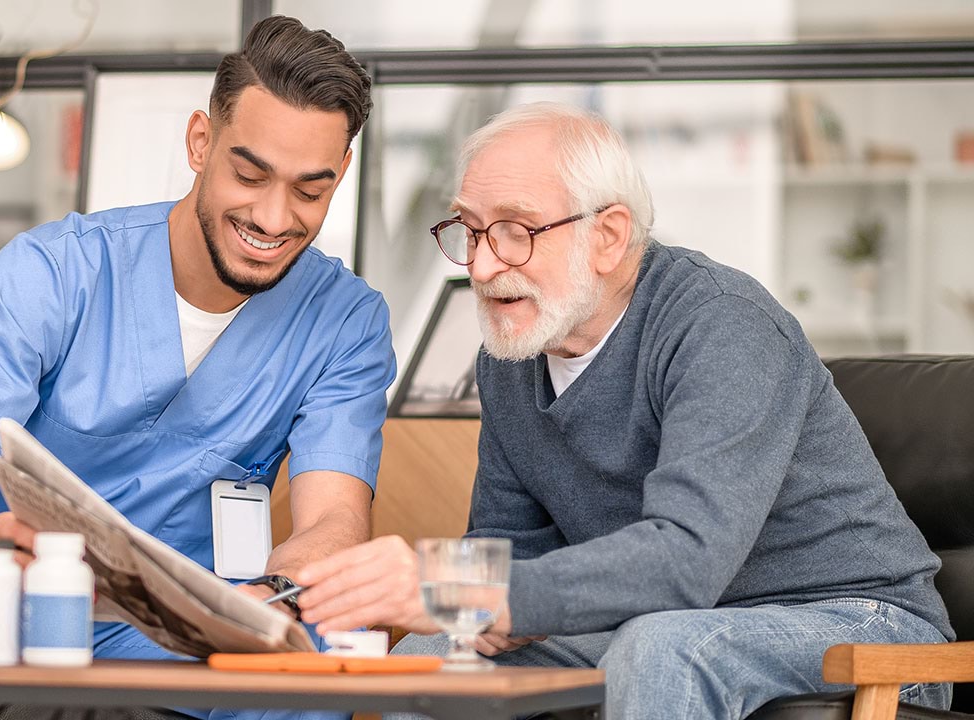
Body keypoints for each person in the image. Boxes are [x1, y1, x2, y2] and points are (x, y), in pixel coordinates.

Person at [293, 102, 953, 719]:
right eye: (469, 231)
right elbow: (511, 557)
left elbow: (685, 560)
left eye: (515, 232)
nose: (485, 266)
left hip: (859, 624)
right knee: (427, 661)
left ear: (608, 236)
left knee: (663, 647)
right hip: (655, 619)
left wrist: (461, 589)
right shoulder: (508, 361)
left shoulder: (722, 326)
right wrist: (465, 610)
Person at [0, 16, 391, 720]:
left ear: (340, 176)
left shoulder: (344, 322)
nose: (274, 217)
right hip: (10, 605)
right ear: (200, 142)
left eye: (309, 191)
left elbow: (336, 520)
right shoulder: (53, 275)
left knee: (311, 641)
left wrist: (269, 594)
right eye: (250, 174)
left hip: (177, 637)